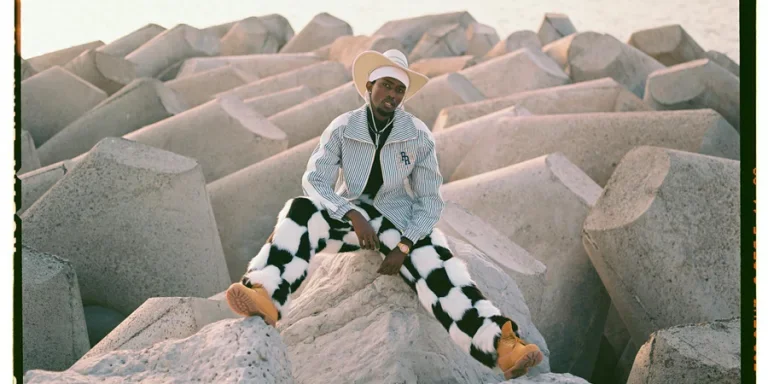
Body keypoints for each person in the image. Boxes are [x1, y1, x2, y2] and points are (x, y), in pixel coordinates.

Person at [225, 49, 544, 379]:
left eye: (399, 89)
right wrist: (350, 213)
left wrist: (405, 245)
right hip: (350, 220)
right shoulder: (343, 126)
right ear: (369, 85)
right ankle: (265, 293)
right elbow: (315, 180)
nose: (392, 94)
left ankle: (503, 346)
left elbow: (429, 200)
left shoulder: (417, 134)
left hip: (398, 222)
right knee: (299, 210)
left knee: (441, 274)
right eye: (386, 86)